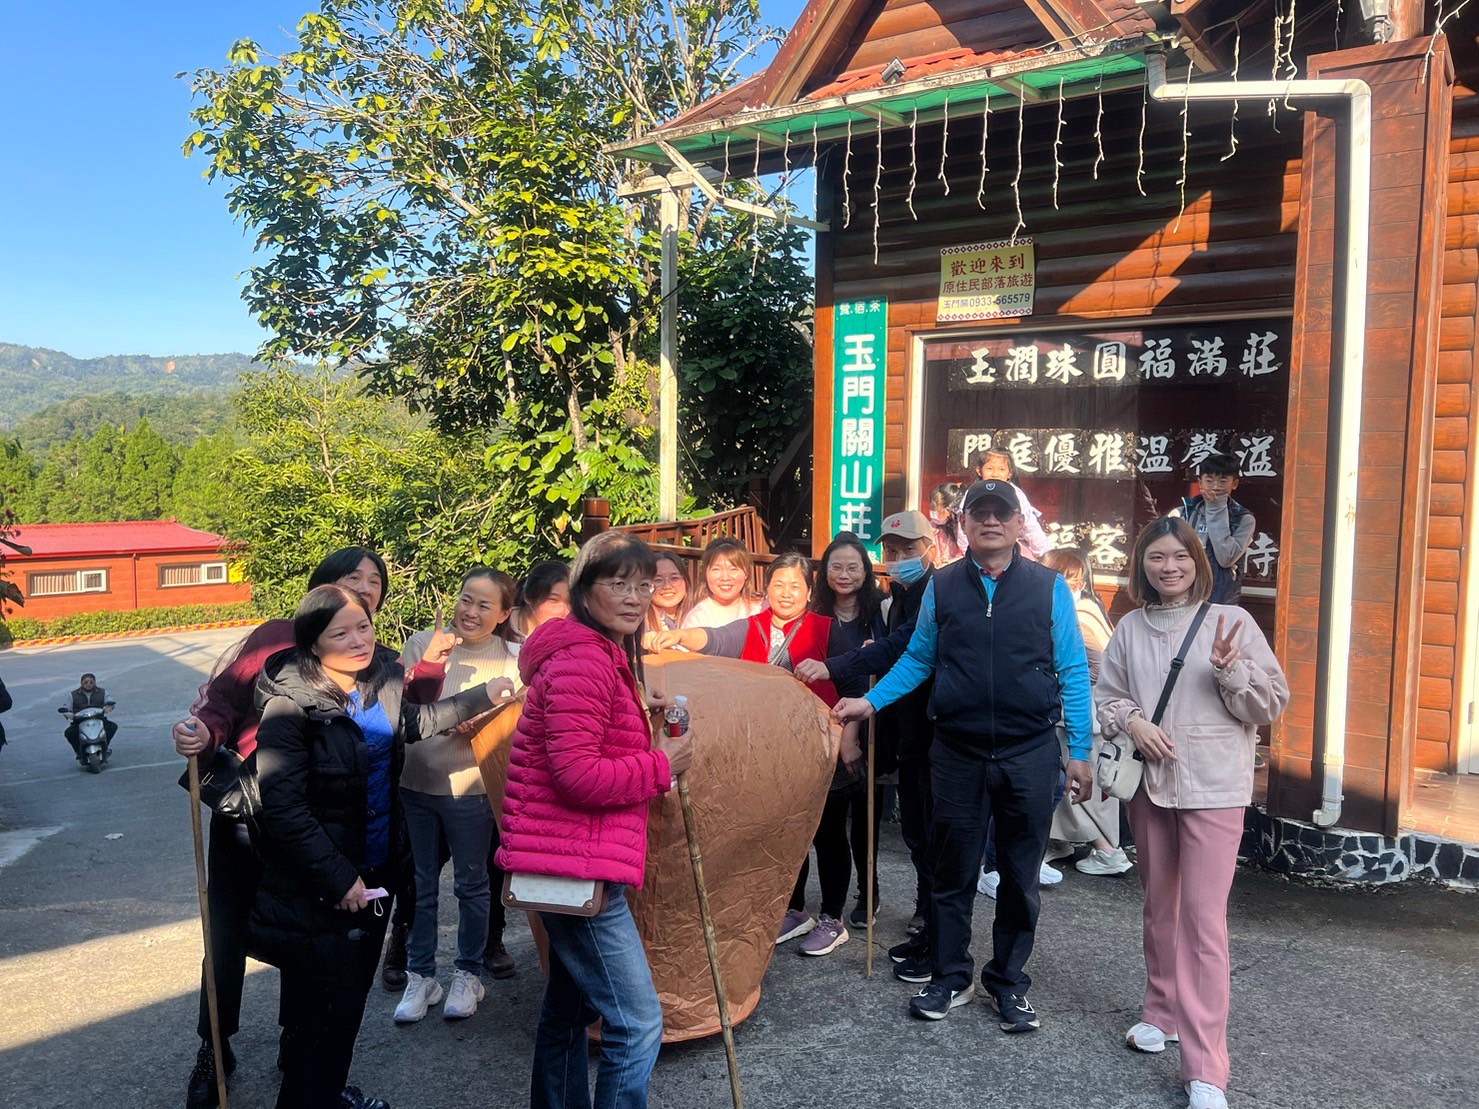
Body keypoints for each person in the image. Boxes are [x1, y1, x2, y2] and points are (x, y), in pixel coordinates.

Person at [834, 479, 1093, 1029]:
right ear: (964, 525)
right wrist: (870, 702)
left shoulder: (1049, 587)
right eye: (980, 513)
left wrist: (1080, 749)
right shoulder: (943, 586)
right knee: (950, 873)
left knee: (1019, 878)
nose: (991, 521)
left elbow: (1072, 669)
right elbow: (918, 659)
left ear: (1019, 524)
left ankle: (1008, 982)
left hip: (1029, 751)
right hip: (957, 752)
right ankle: (950, 975)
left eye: (1002, 513)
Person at [251, 584, 510, 1109]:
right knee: (317, 1008)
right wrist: (338, 877)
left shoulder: (382, 684)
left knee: (347, 1003)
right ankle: (306, 1098)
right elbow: (283, 807)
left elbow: (416, 722)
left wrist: (485, 694)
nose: (358, 641)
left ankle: (327, 1093)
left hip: (374, 873)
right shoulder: (289, 705)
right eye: (340, 633)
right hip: (322, 882)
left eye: (364, 628)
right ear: (312, 642)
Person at [172, 546, 393, 1109]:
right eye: (352, 576)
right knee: (227, 936)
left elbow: (406, 718)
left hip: (321, 832)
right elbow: (220, 701)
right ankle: (213, 1049)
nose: (365, 587)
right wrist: (204, 732)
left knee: (311, 945)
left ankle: (302, 1058)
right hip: (249, 817)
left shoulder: (372, 657)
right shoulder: (274, 637)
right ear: (321, 587)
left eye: (375, 580)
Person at [496, 531, 693, 1109]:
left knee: (569, 1009)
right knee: (637, 1023)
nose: (635, 597)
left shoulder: (596, 653)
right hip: (574, 865)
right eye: (618, 583)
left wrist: (633, 707)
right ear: (583, 590)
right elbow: (578, 776)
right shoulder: (584, 658)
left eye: (644, 585)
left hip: (572, 857)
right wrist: (662, 764)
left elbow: (587, 737)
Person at [1096, 517, 1287, 1109]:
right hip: (1151, 787)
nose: (1169, 567)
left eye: (1179, 556)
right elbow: (1107, 696)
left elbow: (1270, 703)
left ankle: (1206, 1067)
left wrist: (1232, 670)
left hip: (1214, 786)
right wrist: (1133, 722)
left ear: (1197, 562)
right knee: (1160, 907)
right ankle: (1162, 1011)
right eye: (1157, 557)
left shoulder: (1234, 621)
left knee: (1204, 922)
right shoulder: (1129, 627)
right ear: (1142, 565)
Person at [655, 553, 865, 957]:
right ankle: (795, 909)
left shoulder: (827, 629)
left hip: (823, 748)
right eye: (778, 584)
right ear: (766, 589)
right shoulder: (751, 626)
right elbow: (712, 638)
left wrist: (849, 738)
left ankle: (832, 918)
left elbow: (854, 685)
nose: (786, 593)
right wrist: (678, 636)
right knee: (785, 831)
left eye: (795, 586)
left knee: (828, 834)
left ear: (809, 591)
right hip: (772, 753)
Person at [797, 510, 939, 943]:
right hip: (888, 724)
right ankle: (922, 913)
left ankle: (928, 914)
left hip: (910, 724)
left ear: (930, 549)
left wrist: (836, 666)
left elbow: (901, 650)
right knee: (910, 827)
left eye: (908, 549)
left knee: (920, 825)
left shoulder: (916, 597)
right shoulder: (895, 595)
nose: (898, 558)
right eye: (891, 551)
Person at [395, 567, 523, 1023]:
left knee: (472, 885)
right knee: (421, 885)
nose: (470, 611)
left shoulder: (513, 658)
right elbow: (401, 706)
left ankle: (468, 973)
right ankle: (420, 975)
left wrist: (484, 720)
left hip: (471, 787)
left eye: (484, 605)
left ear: (504, 614)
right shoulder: (422, 644)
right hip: (415, 784)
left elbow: (519, 721)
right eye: (466, 599)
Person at [810, 532, 888, 930]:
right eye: (835, 567)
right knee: (832, 817)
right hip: (827, 726)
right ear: (824, 572)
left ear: (866, 571)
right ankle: (834, 898)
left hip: (875, 720)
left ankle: (869, 889)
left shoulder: (883, 609)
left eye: (852, 567)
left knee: (867, 814)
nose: (843, 574)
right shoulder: (815, 613)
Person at [1038, 547, 1131, 877]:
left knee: (1074, 788)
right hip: (1084, 714)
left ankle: (1108, 852)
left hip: (1079, 714)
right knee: (1070, 788)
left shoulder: (1079, 613)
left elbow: (1102, 666)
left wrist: (1063, 677)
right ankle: (1058, 843)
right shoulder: (1087, 607)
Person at [1170, 452, 1255, 605]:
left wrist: (1216, 509)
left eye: (1223, 481)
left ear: (1235, 484)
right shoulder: (1182, 513)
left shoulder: (1243, 519)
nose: (1215, 487)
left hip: (1220, 599)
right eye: (1209, 480)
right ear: (1200, 482)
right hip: (1181, 597)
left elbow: (1226, 559)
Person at [971, 450, 1050, 559]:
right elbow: (964, 528)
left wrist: (1045, 554)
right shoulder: (972, 493)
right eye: (989, 468)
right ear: (979, 471)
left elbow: (1031, 526)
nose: (995, 474)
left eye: (1002, 469)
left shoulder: (1016, 495)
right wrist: (968, 552)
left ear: (1009, 474)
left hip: (1011, 547)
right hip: (979, 547)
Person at [680, 536, 763, 628]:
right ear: (706, 574)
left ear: (746, 573)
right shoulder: (697, 618)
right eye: (716, 569)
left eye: (733, 569)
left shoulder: (760, 609)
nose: (725, 577)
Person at [508, 561, 571, 641]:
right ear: (528, 597)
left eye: (571, 602)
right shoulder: (497, 626)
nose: (566, 612)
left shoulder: (575, 638)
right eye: (553, 600)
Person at [63, 673, 117, 759]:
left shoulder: (102, 692)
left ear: (95, 683)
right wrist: (69, 715)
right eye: (86, 682)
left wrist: (109, 707)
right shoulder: (73, 695)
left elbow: (110, 701)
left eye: (91, 682)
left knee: (112, 727)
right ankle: (79, 751)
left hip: (98, 718)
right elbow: (66, 707)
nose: (88, 684)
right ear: (81, 683)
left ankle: (105, 747)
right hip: (79, 720)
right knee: (69, 733)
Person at [646, 551, 692, 633]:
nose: (667, 586)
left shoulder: (700, 614)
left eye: (674, 578)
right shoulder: (641, 621)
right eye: (658, 580)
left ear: (686, 581)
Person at [927, 482, 965, 564]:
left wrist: (949, 563)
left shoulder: (961, 529)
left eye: (935, 508)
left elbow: (965, 553)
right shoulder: (933, 526)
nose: (932, 511)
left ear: (949, 510)